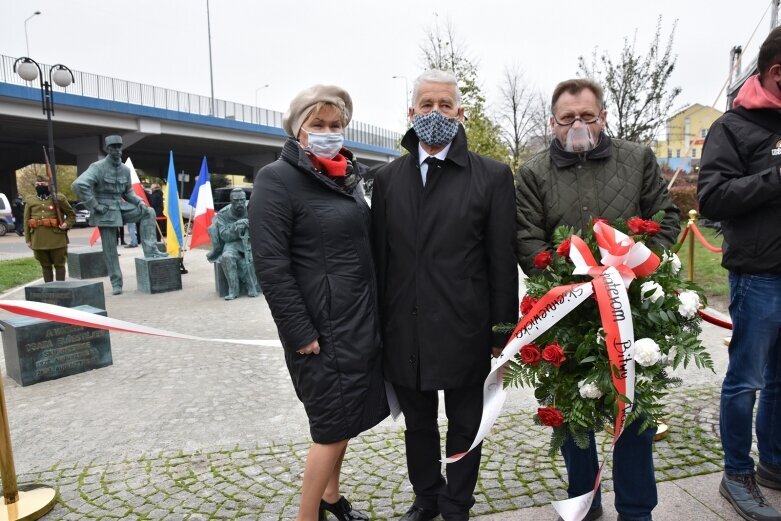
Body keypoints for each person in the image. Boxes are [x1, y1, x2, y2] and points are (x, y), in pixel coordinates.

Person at [515, 78, 680, 521]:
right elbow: (527, 238)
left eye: (587, 116)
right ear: (552, 123)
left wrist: (642, 271)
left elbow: (665, 220)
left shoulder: (637, 159)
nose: (578, 125)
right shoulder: (532, 173)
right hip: (567, 310)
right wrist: (562, 282)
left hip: (634, 309)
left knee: (634, 410)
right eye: (567, 118)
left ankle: (637, 509)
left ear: (604, 117)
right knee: (574, 414)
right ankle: (585, 502)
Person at [372, 69, 518, 521]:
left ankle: (458, 504)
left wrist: (502, 330)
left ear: (460, 113)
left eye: (445, 105)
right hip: (404, 328)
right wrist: (377, 329)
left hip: (466, 329)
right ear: (410, 113)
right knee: (418, 424)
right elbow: (380, 261)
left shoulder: (492, 177)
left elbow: (500, 259)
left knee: (465, 424)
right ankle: (428, 497)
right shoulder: (387, 179)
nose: (435, 113)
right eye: (426, 105)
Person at [248, 85, 388, 521]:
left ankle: (332, 500)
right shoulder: (276, 179)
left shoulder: (344, 176)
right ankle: (308, 516)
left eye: (335, 125)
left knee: (344, 421)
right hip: (320, 330)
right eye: (318, 124)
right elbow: (271, 265)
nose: (328, 132)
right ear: (298, 129)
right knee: (330, 427)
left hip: (358, 322)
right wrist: (299, 331)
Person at [698, 26, 781, 521]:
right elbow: (712, 198)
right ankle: (737, 474)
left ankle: (773, 462)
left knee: (780, 381)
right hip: (759, 275)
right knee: (747, 380)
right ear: (776, 73)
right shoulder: (733, 127)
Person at [72, 135, 166, 295]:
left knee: (148, 212)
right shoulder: (97, 167)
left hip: (121, 206)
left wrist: (139, 202)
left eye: (119, 147)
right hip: (105, 210)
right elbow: (79, 185)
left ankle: (151, 250)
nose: (117, 150)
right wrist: (94, 205)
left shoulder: (125, 169)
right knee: (110, 248)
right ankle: (116, 282)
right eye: (114, 147)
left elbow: (128, 191)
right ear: (107, 149)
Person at [207, 188, 259, 300]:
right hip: (232, 244)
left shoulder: (253, 209)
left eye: (242, 200)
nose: (240, 203)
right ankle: (233, 291)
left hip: (252, 242)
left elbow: (262, 228)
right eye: (236, 200)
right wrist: (235, 227)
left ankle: (253, 286)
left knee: (258, 257)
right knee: (227, 257)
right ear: (231, 201)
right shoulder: (223, 214)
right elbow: (224, 235)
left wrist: (249, 225)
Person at [23, 176, 76, 282]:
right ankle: (49, 289)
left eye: (43, 184)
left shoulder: (58, 198)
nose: (40, 186)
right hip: (38, 239)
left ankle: (60, 289)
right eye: (38, 184)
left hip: (57, 239)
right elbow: (26, 220)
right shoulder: (30, 200)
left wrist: (66, 224)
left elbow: (71, 215)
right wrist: (28, 240)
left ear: (49, 185)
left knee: (59, 265)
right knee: (45, 266)